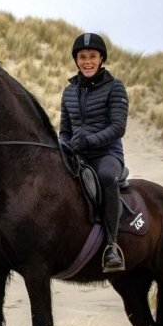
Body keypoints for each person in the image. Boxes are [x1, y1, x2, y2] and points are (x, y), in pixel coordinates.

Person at [59, 33, 129, 273]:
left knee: (107, 177)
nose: (87, 61)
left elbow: (118, 127)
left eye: (92, 56)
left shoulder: (115, 87)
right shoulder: (69, 92)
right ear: (76, 60)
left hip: (106, 154)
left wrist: (89, 141)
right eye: (82, 57)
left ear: (101, 59)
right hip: (76, 153)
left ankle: (111, 245)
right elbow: (65, 130)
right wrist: (64, 145)